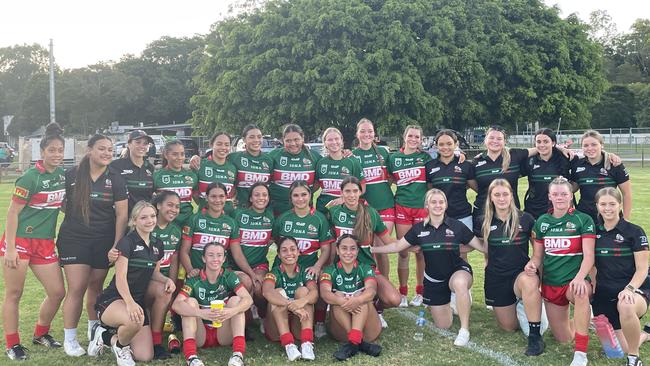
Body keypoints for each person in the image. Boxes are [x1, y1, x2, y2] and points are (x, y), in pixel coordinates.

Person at [372, 189, 485, 347]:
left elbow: (479, 246)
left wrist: (501, 243)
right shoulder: (418, 229)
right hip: (434, 279)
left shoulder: (457, 226)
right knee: (443, 325)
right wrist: (371, 249)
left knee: (460, 283)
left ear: (446, 205)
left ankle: (464, 330)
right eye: (433, 202)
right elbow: (397, 246)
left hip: (457, 271)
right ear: (427, 205)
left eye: (441, 202)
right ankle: (453, 306)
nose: (438, 205)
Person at [56, 134, 129, 356]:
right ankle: (70, 339)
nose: (107, 153)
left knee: (95, 289)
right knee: (76, 287)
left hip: (103, 241)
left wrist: (116, 245)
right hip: (74, 239)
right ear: (90, 150)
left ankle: (93, 331)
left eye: (110, 149)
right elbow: (59, 204)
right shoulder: (71, 175)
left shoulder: (115, 177)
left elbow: (122, 215)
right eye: (102, 149)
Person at [1, 123, 66, 361]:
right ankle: (13, 344)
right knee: (14, 293)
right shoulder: (30, 178)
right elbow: (12, 213)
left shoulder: (62, 175)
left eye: (60, 150)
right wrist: (9, 248)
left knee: (58, 292)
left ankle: (41, 333)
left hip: (45, 243)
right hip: (19, 241)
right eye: (52, 150)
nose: (57, 154)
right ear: (42, 152)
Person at [93, 201, 175, 365]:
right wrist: (130, 303)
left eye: (152, 216)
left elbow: (154, 273)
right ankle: (118, 345)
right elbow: (120, 278)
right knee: (135, 320)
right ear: (134, 221)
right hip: (114, 299)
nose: (149, 220)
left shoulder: (158, 244)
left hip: (136, 301)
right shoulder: (127, 242)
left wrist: (167, 279)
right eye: (143, 217)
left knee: (144, 355)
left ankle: (105, 335)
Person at [526, 177, 595, 366]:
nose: (560, 197)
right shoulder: (542, 222)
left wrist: (580, 278)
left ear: (571, 195)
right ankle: (586, 319)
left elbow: (589, 256)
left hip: (574, 282)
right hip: (551, 283)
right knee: (564, 338)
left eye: (564, 194)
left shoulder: (583, 219)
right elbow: (538, 256)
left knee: (581, 293)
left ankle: (581, 353)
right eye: (555, 194)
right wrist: (532, 264)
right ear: (549, 196)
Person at [476, 179, 544, 356]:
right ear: (491, 197)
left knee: (529, 282)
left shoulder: (526, 218)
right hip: (496, 278)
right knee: (508, 327)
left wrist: (534, 264)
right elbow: (477, 246)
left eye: (505, 194)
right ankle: (523, 304)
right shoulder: (483, 221)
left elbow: (538, 251)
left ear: (511, 196)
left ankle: (535, 337)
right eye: (497, 194)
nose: (501, 198)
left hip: (520, 275)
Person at [328, 176, 401, 328]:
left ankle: (377, 309)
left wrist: (411, 242)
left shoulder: (371, 213)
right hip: (341, 269)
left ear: (360, 193)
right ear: (341, 193)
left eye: (355, 191)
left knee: (393, 299)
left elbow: (388, 241)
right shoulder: (334, 212)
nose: (351, 195)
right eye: (347, 191)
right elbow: (328, 244)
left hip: (366, 266)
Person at [593, 187, 649, 366]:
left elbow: (642, 268)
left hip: (634, 290)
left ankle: (633, 358)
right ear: (597, 206)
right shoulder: (593, 232)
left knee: (625, 304)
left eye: (612, 204)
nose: (607, 208)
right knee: (617, 350)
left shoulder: (634, 231)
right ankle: (645, 334)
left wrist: (630, 289)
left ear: (620, 205)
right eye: (603, 204)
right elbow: (590, 264)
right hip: (605, 293)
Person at [172, 242, 253, 366]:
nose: (215, 259)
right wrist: (201, 313)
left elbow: (248, 299)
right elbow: (176, 305)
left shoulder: (228, 276)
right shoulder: (194, 279)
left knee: (236, 301)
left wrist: (231, 311)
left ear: (224, 259)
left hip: (223, 332)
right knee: (190, 302)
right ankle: (191, 357)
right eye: (211, 255)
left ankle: (238, 355)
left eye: (219, 255)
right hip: (200, 335)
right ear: (204, 258)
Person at [272, 180, 334, 337]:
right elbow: (274, 244)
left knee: (321, 282)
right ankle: (269, 318)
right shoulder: (283, 219)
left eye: (304, 194)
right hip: (284, 268)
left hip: (309, 267)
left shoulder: (319, 219)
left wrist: (318, 266)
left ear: (310, 195)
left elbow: (326, 248)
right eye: (296, 195)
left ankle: (319, 322)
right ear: (291, 198)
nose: (300, 199)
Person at [387, 124, 431, 307]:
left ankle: (420, 292)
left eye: (417, 137)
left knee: (421, 253)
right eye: (410, 136)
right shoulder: (394, 158)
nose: (414, 139)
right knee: (403, 251)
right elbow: (387, 181)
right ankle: (403, 292)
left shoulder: (425, 157)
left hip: (422, 208)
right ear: (404, 137)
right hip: (402, 207)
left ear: (421, 140)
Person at [320, 234, 383, 361]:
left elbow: (371, 290)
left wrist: (357, 300)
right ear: (337, 250)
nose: (348, 252)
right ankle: (356, 341)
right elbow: (325, 293)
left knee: (362, 296)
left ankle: (353, 342)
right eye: (344, 248)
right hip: (342, 331)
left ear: (358, 251)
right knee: (337, 296)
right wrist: (341, 300)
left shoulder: (364, 268)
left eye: (352, 248)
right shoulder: (329, 270)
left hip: (369, 330)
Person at [262, 236, 318, 361]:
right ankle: (288, 344)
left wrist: (302, 301)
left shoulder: (304, 271)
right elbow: (267, 292)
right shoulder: (274, 272)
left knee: (304, 292)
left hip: (299, 323)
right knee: (278, 292)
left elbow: (314, 293)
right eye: (284, 250)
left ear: (298, 252)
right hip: (277, 328)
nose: (289, 253)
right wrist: (292, 306)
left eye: (293, 249)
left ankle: (306, 343)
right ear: (278, 254)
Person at [352, 118, 394, 278]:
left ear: (374, 133)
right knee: (367, 248)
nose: (366, 134)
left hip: (386, 206)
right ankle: (371, 282)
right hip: (364, 209)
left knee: (379, 245)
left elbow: (391, 177)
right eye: (362, 131)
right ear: (357, 134)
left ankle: (384, 283)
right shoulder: (353, 156)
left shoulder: (383, 152)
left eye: (369, 131)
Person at [230, 182, 275, 317]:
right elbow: (235, 250)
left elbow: (272, 240)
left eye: (264, 195)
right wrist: (250, 273)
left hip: (259, 264)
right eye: (256, 195)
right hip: (236, 264)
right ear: (250, 198)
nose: (261, 198)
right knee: (247, 282)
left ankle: (262, 315)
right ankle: (245, 317)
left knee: (260, 287)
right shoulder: (239, 215)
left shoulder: (271, 216)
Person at [180, 182, 240, 278]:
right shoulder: (194, 219)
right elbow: (184, 251)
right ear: (206, 198)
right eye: (213, 196)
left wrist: (251, 274)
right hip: (198, 273)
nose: (217, 200)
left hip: (221, 274)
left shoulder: (231, 223)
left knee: (247, 281)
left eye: (221, 196)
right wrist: (190, 270)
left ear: (226, 198)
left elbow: (238, 255)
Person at [148, 191, 182, 358]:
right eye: (170, 205)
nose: (174, 209)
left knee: (166, 292)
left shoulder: (176, 231)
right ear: (158, 205)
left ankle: (156, 341)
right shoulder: (147, 226)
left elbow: (174, 260)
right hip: (144, 280)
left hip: (163, 281)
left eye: (177, 206)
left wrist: (173, 282)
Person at [570, 130, 631, 222]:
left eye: (594, 144)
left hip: (608, 217)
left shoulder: (614, 164)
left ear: (601, 145)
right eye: (586, 145)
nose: (590, 148)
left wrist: (625, 219)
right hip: (584, 217)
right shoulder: (577, 165)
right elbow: (573, 188)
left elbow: (627, 194)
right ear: (581, 147)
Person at [425, 129, 474, 230]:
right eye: (441, 144)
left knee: (464, 246)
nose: (445, 147)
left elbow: (476, 188)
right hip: (438, 218)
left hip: (463, 216)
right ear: (436, 145)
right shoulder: (429, 166)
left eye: (449, 143)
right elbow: (430, 191)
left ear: (456, 144)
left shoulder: (465, 165)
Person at [268, 124, 322, 216]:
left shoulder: (314, 157)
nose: (293, 144)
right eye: (288, 140)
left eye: (296, 139)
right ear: (283, 140)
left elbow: (318, 182)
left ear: (303, 138)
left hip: (304, 209)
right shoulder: (274, 156)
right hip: (277, 209)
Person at [521, 128, 571, 219]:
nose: (542, 145)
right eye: (538, 142)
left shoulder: (564, 159)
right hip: (533, 210)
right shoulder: (529, 161)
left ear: (553, 143)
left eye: (545, 141)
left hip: (558, 211)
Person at [314, 127, 364, 214]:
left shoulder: (352, 161)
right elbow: (316, 185)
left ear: (341, 141)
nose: (334, 142)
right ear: (325, 143)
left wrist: (344, 199)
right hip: (323, 209)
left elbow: (362, 186)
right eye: (330, 140)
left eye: (336, 139)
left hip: (346, 209)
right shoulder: (321, 163)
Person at [153, 140, 198, 227]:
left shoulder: (191, 175)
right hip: (166, 225)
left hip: (187, 223)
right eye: (175, 154)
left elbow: (200, 200)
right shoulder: (157, 176)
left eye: (182, 154)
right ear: (166, 155)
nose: (180, 157)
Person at [110, 130, 155, 214]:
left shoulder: (150, 168)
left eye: (145, 143)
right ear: (129, 144)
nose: (142, 146)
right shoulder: (116, 166)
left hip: (143, 221)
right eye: (138, 142)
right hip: (121, 218)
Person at [228, 124, 273, 206]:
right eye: (252, 137)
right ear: (244, 139)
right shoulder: (234, 157)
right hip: (241, 209)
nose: (256, 140)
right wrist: (196, 157)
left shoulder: (269, 160)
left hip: (262, 209)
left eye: (259, 137)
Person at [195, 132, 238, 215]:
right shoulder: (200, 165)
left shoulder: (233, 168)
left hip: (228, 217)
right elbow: (194, 191)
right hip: (204, 217)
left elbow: (234, 190)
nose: (223, 147)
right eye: (219, 144)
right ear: (211, 145)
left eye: (226, 144)